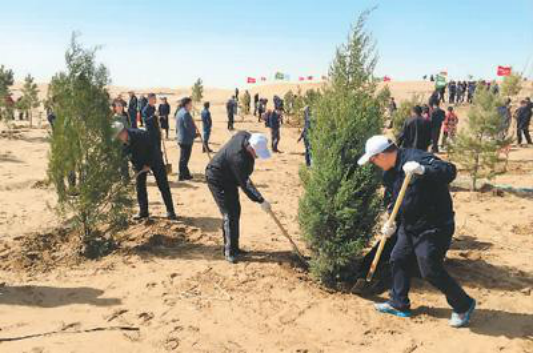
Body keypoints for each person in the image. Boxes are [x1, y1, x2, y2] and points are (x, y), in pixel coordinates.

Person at [358, 136, 476, 328]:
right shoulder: (389, 174)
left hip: (435, 226)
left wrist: (424, 170)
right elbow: (394, 201)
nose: (373, 163)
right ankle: (399, 303)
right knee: (398, 258)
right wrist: (391, 223)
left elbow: (449, 171)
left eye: (372, 159)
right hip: (409, 225)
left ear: (381, 156)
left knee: (429, 268)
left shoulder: (417, 158)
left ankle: (464, 304)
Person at [206, 132, 272, 264]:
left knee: (236, 210)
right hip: (217, 179)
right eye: (257, 154)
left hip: (229, 178)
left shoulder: (244, 136)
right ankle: (229, 251)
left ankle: (235, 248)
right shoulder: (238, 159)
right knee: (229, 214)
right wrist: (260, 200)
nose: (257, 157)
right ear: (251, 148)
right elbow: (246, 184)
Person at [113, 122, 177, 221]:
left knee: (163, 185)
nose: (119, 138)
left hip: (154, 159)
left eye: (119, 135)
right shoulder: (121, 143)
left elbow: (153, 148)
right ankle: (143, 212)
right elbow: (124, 156)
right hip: (139, 163)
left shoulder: (140, 135)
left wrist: (149, 164)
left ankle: (170, 211)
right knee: (140, 187)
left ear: (124, 131)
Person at [176, 97, 199, 181]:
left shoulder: (179, 112)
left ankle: (185, 174)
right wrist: (195, 135)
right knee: (184, 158)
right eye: (190, 104)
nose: (191, 106)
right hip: (186, 139)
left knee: (184, 158)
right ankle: (182, 175)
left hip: (181, 138)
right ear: (186, 104)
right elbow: (188, 127)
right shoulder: (185, 113)